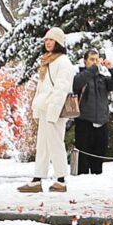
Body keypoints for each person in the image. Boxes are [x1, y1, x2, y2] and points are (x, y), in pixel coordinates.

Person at [21, 27, 78, 193]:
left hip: (56, 110)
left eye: (51, 40)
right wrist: (37, 108)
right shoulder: (47, 61)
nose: (48, 43)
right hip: (46, 107)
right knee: (43, 145)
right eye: (46, 40)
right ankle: (38, 178)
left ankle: (61, 179)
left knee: (55, 144)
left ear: (59, 42)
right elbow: (42, 88)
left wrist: (53, 112)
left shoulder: (63, 62)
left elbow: (61, 89)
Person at [70, 48, 113, 176]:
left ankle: (97, 179)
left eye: (96, 59)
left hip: (101, 121)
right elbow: (76, 84)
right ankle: (82, 180)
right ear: (85, 61)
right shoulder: (80, 76)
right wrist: (94, 68)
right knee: (83, 156)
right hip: (84, 121)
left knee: (99, 155)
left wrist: (112, 68)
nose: (94, 62)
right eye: (91, 59)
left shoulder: (102, 79)